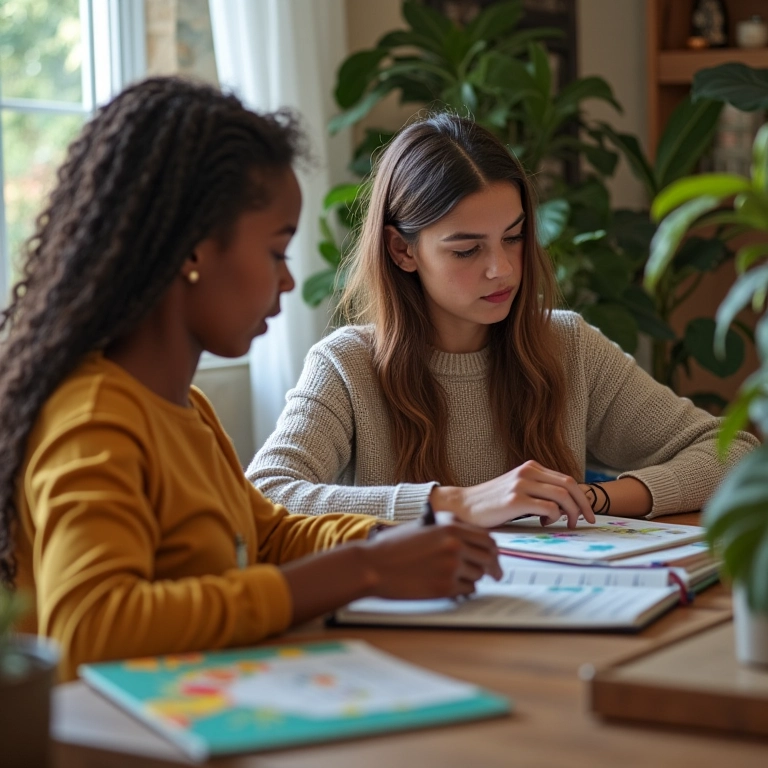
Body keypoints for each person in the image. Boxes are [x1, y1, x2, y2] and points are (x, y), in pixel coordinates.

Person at [0, 79, 502, 682]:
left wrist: (388, 542)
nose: (288, 283)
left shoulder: (185, 408)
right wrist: (364, 571)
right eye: (276, 251)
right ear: (192, 251)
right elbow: (89, 629)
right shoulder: (94, 416)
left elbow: (267, 538)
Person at [248, 113, 758, 527]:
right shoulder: (347, 365)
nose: (504, 269)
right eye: (468, 249)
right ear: (402, 250)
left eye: (513, 237)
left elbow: (733, 453)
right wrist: (459, 505)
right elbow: (264, 495)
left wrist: (586, 499)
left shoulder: (567, 345)